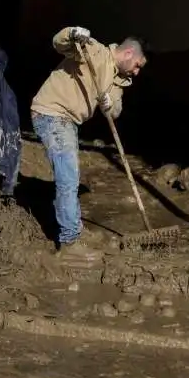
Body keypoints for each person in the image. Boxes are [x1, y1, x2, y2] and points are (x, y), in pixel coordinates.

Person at [31, 26, 147, 262]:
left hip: (68, 121)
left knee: (70, 177)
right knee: (69, 179)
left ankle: (74, 229)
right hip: (51, 114)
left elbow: (114, 111)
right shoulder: (92, 51)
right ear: (128, 54)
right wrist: (72, 33)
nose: (137, 72)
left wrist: (108, 104)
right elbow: (59, 43)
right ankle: (69, 242)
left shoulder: (119, 79)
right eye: (137, 65)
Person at [0, 43, 22, 203]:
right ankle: (7, 189)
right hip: (5, 123)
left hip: (8, 125)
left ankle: (7, 189)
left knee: (10, 142)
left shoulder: (4, 86)